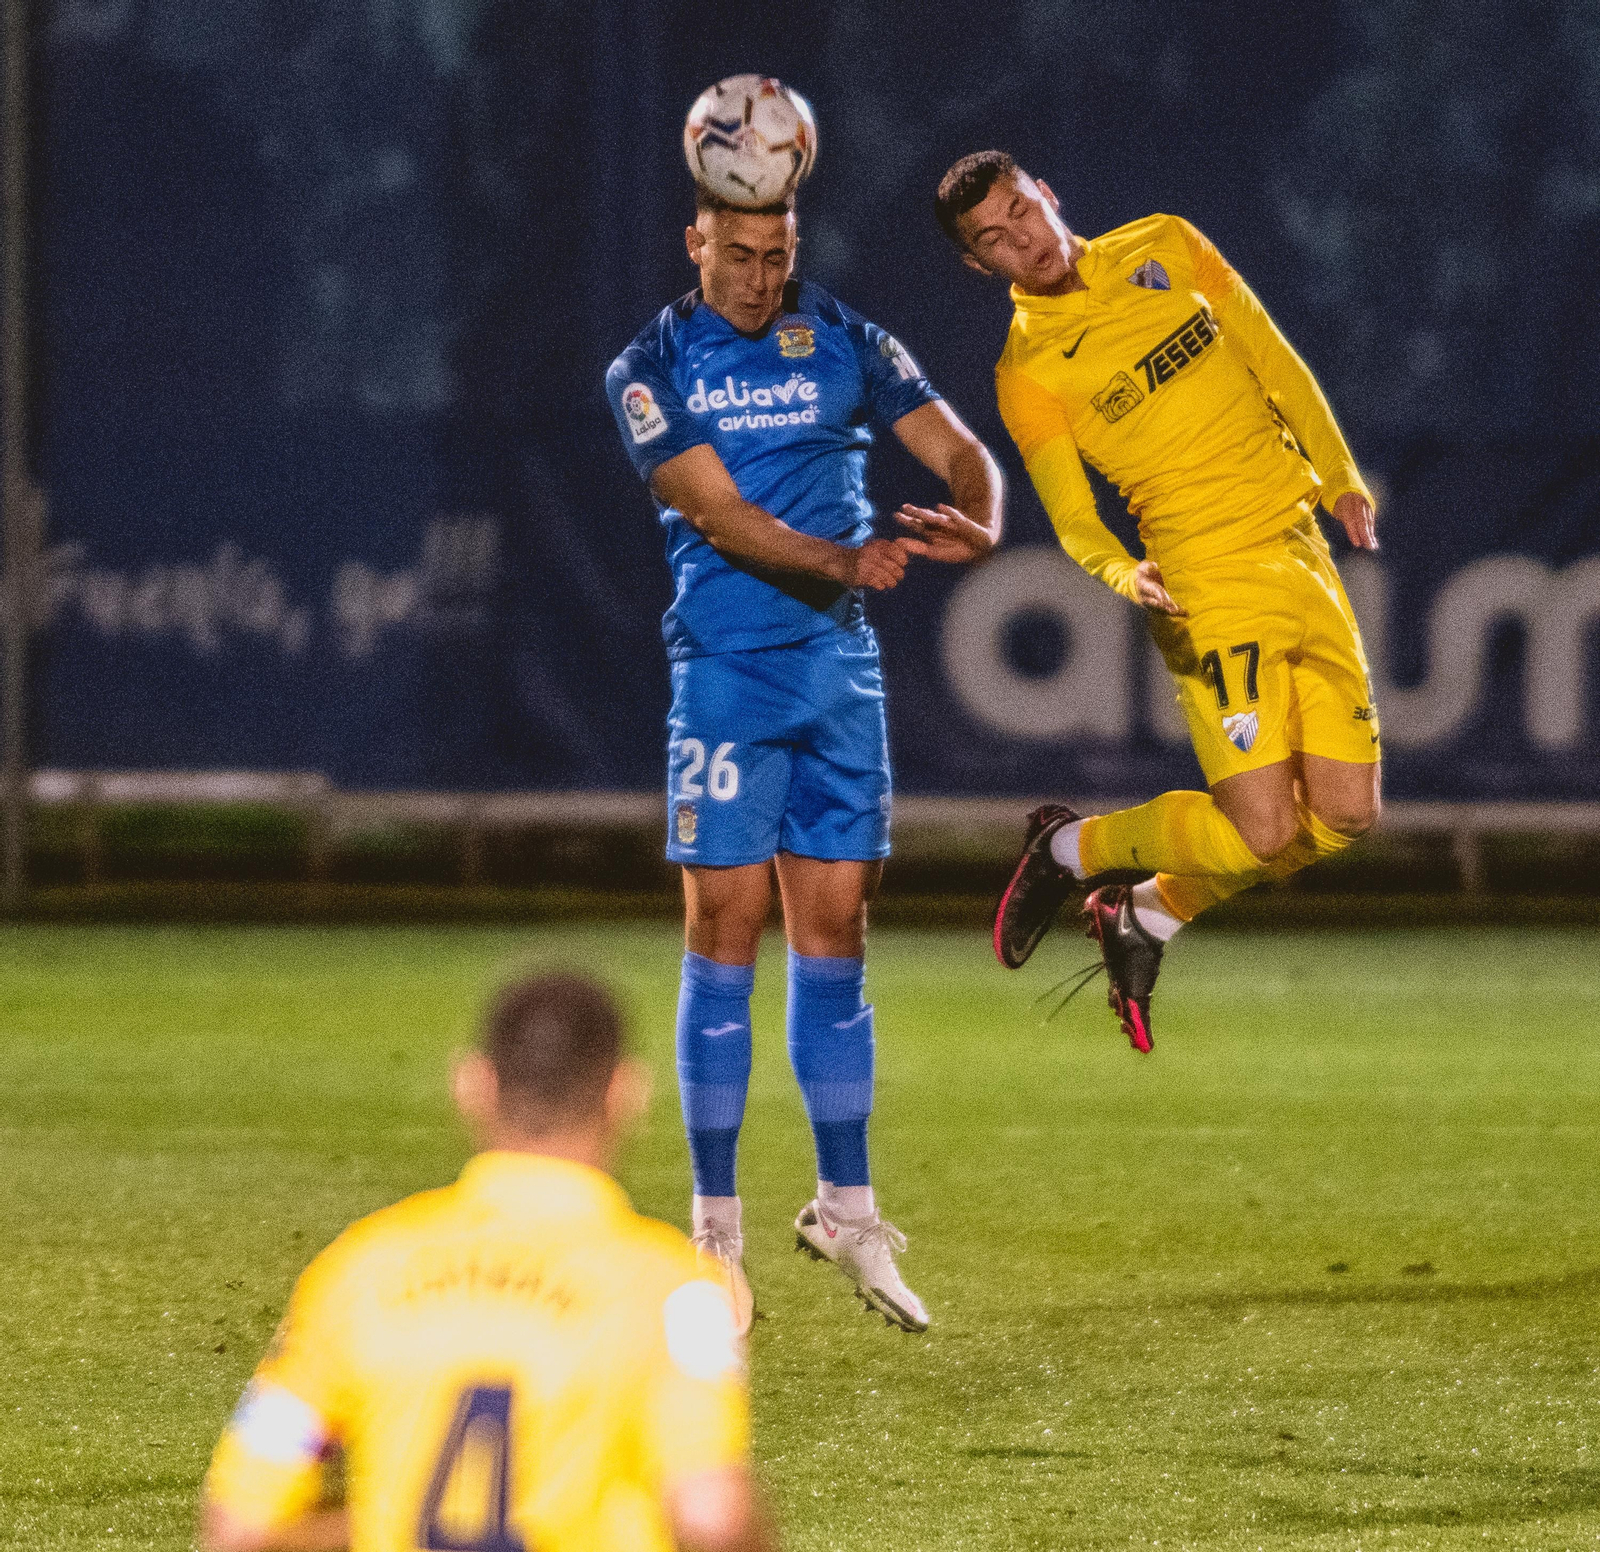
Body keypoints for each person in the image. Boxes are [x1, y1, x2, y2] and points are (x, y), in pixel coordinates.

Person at [604, 184, 1003, 1335]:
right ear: (694, 243)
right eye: (738, 254)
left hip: (838, 678)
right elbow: (718, 516)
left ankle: (846, 1210)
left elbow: (956, 447)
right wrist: (842, 560)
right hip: (726, 678)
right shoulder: (648, 369)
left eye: (776, 254)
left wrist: (978, 515)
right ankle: (714, 1237)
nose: (759, 277)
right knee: (724, 932)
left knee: (836, 934)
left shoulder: (841, 333)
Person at [933, 152, 1380, 1052]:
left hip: (1300, 549)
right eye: (994, 239)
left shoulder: (1168, 243)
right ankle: (1069, 851)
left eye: (1021, 210)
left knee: (1346, 816)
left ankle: (1147, 912)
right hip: (1203, 585)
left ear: (1047, 194)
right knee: (1265, 831)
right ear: (980, 266)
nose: (1022, 238)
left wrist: (1338, 475)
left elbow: (1270, 354)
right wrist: (1120, 572)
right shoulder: (1028, 371)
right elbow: (1072, 517)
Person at [199, 972, 773, 1552]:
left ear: (473, 1085)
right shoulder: (674, 1289)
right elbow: (713, 1518)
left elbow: (240, 1530)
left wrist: (380, 1522)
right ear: (627, 1094)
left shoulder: (359, 1269)